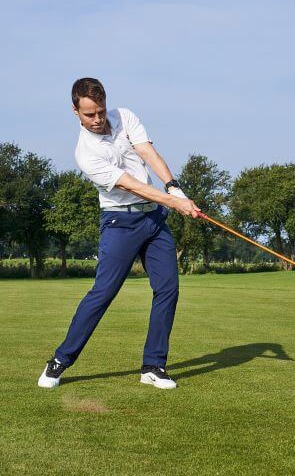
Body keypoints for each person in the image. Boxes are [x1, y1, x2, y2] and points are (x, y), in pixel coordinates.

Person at [38, 78, 200, 390]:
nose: (97, 119)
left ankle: (153, 366)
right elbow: (131, 184)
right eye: (89, 115)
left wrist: (173, 186)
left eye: (99, 111)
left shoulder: (125, 116)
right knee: (103, 293)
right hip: (119, 223)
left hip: (153, 219)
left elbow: (147, 152)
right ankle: (60, 360)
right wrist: (175, 202)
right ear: (75, 112)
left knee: (168, 288)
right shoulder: (85, 153)